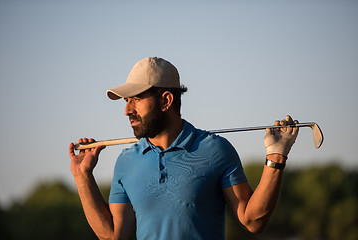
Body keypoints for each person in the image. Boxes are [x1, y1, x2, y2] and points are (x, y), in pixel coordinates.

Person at [69, 57, 299, 240]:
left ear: (165, 101)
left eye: (136, 99)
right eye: (126, 101)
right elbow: (112, 235)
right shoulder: (126, 161)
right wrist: (82, 176)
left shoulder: (216, 149)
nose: (127, 110)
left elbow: (253, 222)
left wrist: (275, 157)